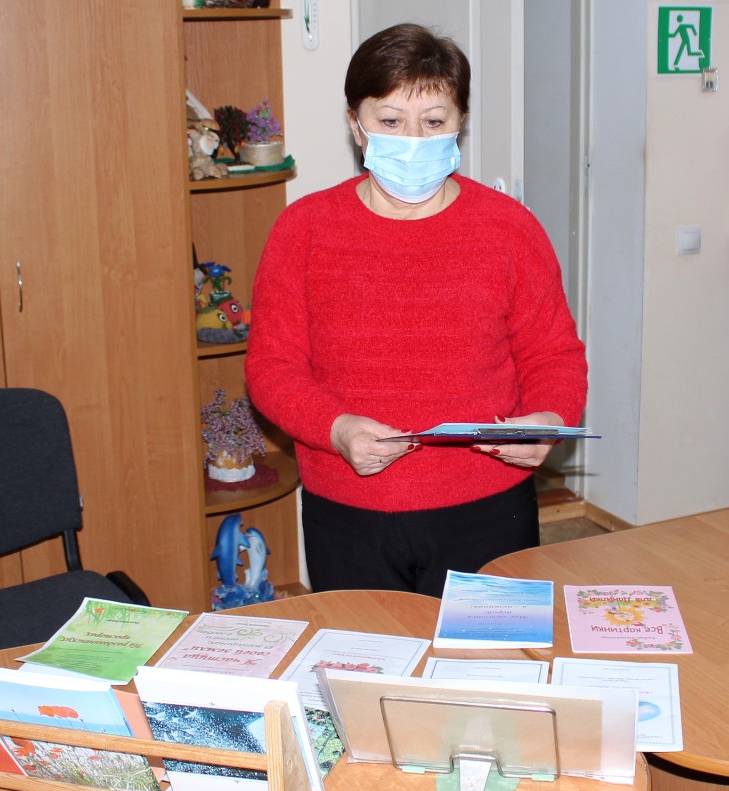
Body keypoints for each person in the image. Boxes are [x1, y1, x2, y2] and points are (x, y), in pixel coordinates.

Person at [244, 23, 587, 597]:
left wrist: (549, 420)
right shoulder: (303, 229)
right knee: (367, 651)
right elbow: (271, 368)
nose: (412, 140)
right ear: (355, 124)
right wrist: (335, 428)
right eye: (389, 121)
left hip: (489, 508)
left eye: (432, 122)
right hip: (348, 512)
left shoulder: (510, 228)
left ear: (460, 122)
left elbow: (553, 353)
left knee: (488, 654)